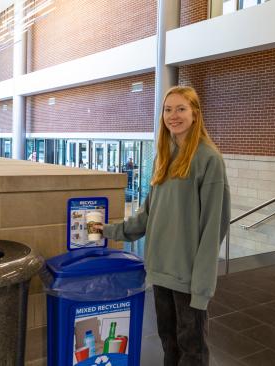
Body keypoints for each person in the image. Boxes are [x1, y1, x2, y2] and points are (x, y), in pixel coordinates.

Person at [95, 86, 230, 365]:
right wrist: (108, 230)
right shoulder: (163, 157)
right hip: (160, 272)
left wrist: (202, 286)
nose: (173, 115)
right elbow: (148, 216)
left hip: (188, 277)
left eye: (181, 109)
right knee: (169, 343)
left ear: (195, 113)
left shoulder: (208, 159)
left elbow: (213, 227)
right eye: (168, 110)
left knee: (192, 348)